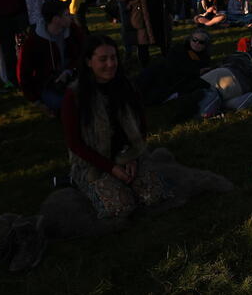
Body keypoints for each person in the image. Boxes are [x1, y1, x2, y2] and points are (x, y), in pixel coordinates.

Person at [61, 35, 171, 219]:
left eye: (113, 58)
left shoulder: (126, 86)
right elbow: (74, 143)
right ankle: (78, 182)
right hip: (93, 162)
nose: (111, 64)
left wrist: (132, 158)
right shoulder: (75, 96)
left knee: (154, 196)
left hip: (127, 154)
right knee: (121, 208)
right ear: (89, 61)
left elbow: (141, 125)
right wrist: (110, 168)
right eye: (103, 59)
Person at [17, 0, 85, 114]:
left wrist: (70, 70)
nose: (70, 17)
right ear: (56, 19)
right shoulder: (34, 41)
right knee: (66, 105)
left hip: (74, 75)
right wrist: (35, 100)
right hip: (49, 85)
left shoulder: (73, 31)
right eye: (66, 14)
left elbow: (84, 52)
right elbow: (23, 72)